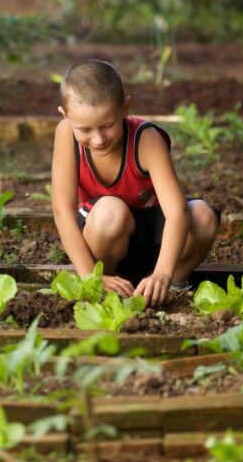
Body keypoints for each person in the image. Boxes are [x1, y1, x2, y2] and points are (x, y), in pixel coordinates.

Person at [51, 60, 219, 307]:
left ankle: (170, 285)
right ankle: (105, 284)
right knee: (111, 211)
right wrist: (89, 275)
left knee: (202, 216)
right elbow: (62, 211)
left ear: (125, 108)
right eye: (85, 129)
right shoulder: (65, 133)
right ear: (65, 116)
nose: (98, 139)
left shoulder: (146, 139)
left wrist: (163, 273)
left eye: (108, 125)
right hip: (105, 238)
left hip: (154, 243)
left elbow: (176, 212)